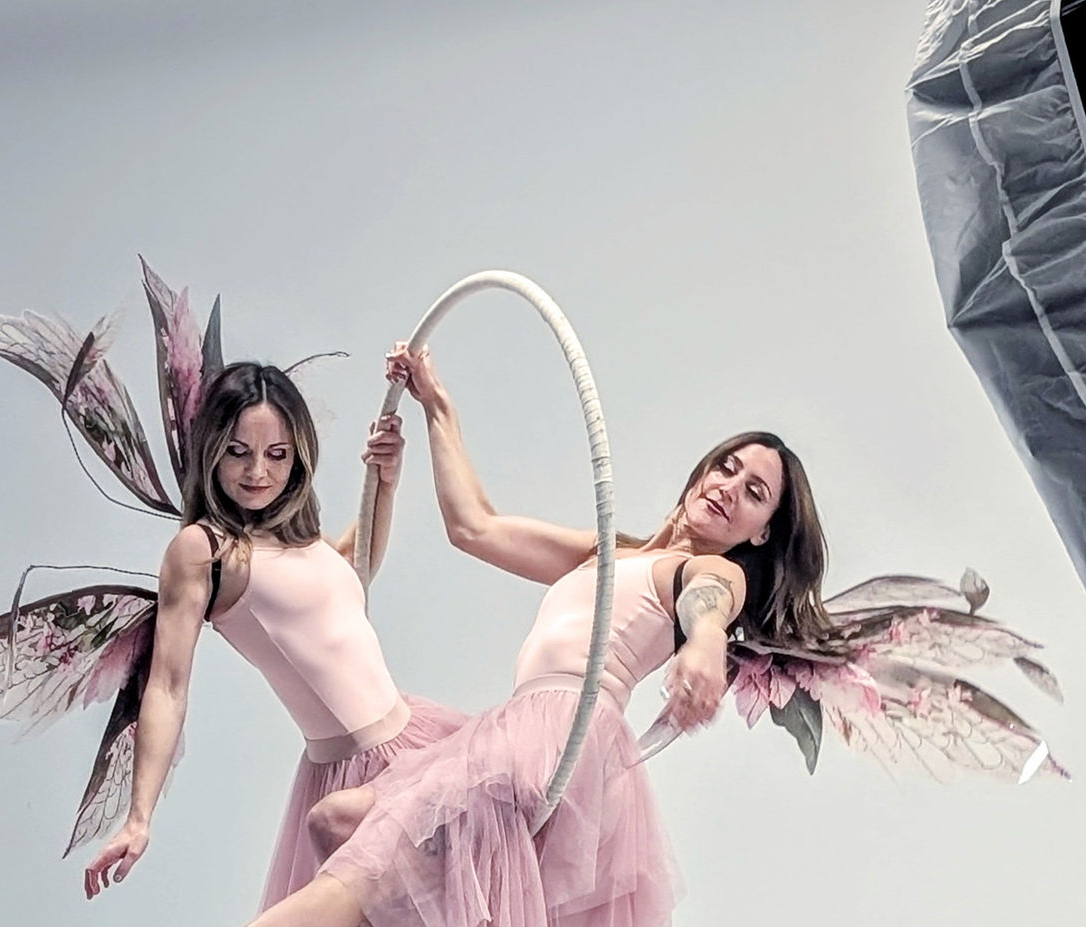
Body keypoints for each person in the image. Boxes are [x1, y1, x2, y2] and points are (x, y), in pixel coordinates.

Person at [247, 344, 832, 927]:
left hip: (560, 737)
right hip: (514, 727)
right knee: (336, 823)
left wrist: (706, 647)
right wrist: (436, 404)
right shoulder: (609, 554)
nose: (730, 487)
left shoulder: (710, 569)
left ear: (761, 535)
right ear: (705, 469)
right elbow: (475, 527)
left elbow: (710, 601)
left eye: (755, 493)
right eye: (728, 467)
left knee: (361, 861)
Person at [83, 360, 468, 910]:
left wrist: (385, 481)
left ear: (298, 454)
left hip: (415, 740)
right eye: (238, 451)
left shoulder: (297, 538)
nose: (258, 472)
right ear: (212, 449)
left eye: (277, 454)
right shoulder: (205, 550)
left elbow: (348, 580)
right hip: (352, 774)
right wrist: (139, 817)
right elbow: (167, 685)